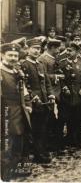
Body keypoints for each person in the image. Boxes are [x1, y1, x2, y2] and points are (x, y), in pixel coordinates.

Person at [1, 43, 32, 180]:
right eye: (10, 55)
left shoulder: (17, 71)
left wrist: (28, 104)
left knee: (21, 138)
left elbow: (24, 91)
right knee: (7, 142)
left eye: (15, 55)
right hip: (6, 112)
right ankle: (5, 172)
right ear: (2, 55)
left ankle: (17, 167)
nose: (13, 58)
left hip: (21, 110)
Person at [22, 38, 56, 163]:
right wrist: (31, 97)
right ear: (28, 49)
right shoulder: (24, 64)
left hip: (44, 101)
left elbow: (47, 82)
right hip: (33, 102)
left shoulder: (40, 64)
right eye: (34, 48)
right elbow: (24, 85)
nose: (37, 51)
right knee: (34, 129)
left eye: (38, 49)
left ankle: (41, 151)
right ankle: (36, 154)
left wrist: (51, 95)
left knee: (42, 127)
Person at [59, 42, 81, 146]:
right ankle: (68, 137)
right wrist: (64, 88)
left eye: (70, 51)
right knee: (66, 116)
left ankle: (76, 137)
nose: (68, 52)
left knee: (77, 117)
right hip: (66, 95)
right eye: (67, 50)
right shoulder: (62, 63)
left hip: (78, 95)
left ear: (77, 52)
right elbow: (59, 77)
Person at [37, 39, 64, 151]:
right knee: (49, 118)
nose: (59, 50)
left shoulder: (54, 58)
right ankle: (48, 143)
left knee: (57, 118)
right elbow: (43, 75)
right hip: (49, 92)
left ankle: (56, 142)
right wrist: (57, 77)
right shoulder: (43, 59)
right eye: (57, 48)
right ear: (52, 48)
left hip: (57, 91)